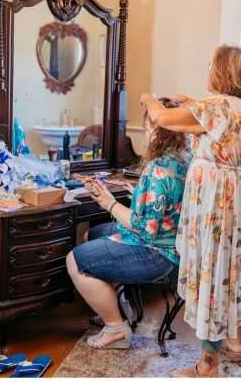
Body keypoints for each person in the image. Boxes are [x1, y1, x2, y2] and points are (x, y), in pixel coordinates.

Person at [141, 45, 241, 377]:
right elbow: (221, 125)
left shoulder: (216, 107)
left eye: (212, 65)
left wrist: (148, 97)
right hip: (240, 204)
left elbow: (161, 118)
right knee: (230, 270)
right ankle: (234, 344)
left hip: (216, 204)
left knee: (211, 273)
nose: (208, 69)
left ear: (222, 71)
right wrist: (192, 103)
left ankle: (207, 366)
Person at [66, 98, 190, 349]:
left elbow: (143, 228)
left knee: (74, 260)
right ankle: (113, 306)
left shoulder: (157, 169)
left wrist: (109, 203)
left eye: (147, 127)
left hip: (160, 255)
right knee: (92, 234)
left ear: (158, 130)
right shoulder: (184, 158)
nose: (145, 132)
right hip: (176, 245)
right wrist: (140, 194)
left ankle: (116, 329)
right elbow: (167, 203)